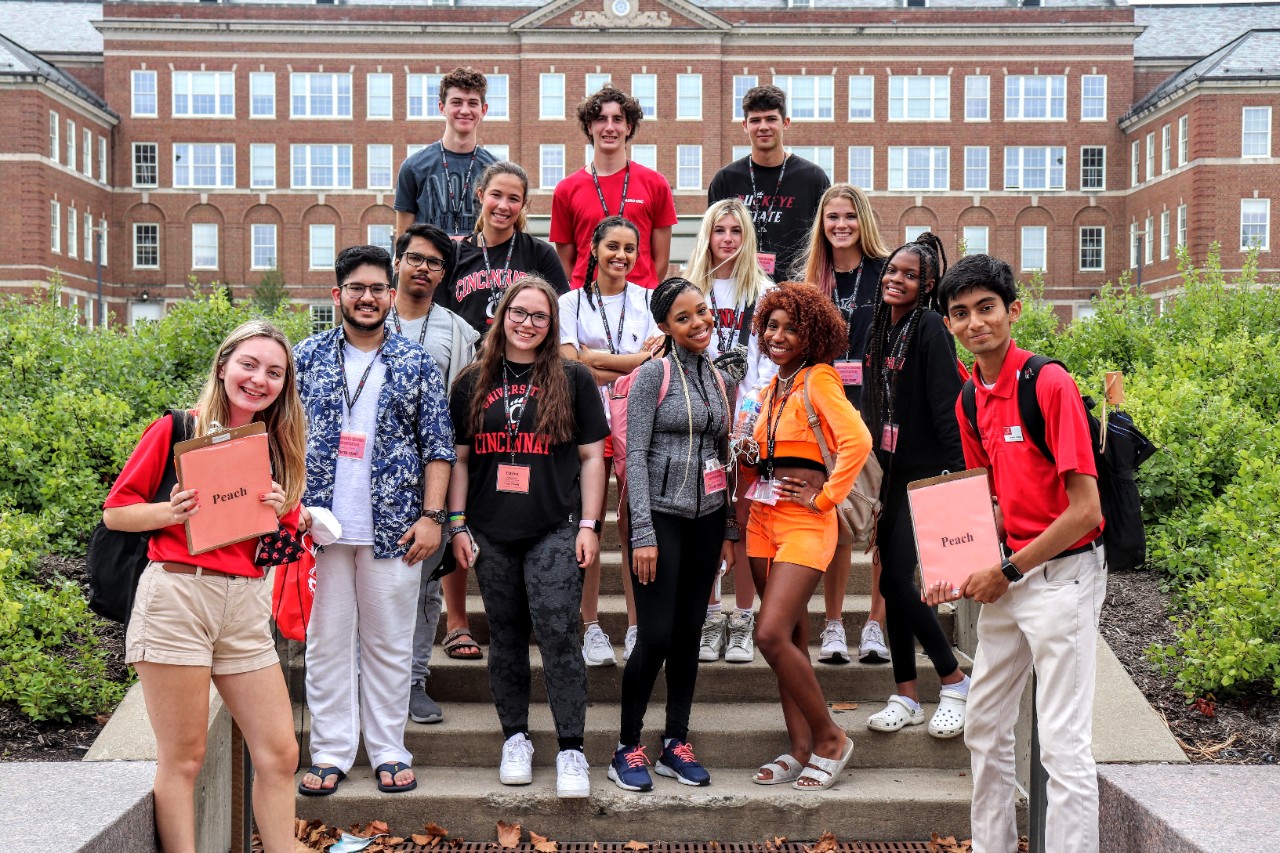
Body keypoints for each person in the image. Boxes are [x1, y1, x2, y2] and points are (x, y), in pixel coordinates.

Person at [102, 320, 307, 853]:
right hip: (178, 597)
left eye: (274, 372)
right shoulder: (177, 428)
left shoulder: (276, 446)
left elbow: (275, 549)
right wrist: (168, 511)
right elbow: (116, 514)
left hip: (244, 606)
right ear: (223, 366)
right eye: (249, 364)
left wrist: (285, 514)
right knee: (185, 758)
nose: (259, 379)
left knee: (280, 752)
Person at [928, 254, 1106, 853]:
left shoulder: (1047, 383)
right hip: (1013, 575)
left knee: (1062, 743)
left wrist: (1004, 569)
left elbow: (1085, 510)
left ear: (1013, 311)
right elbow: (990, 508)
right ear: (949, 324)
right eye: (961, 313)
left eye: (986, 308)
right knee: (983, 726)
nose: (975, 322)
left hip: (1062, 578)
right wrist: (952, 567)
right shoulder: (969, 398)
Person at [295, 245, 456, 797]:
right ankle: (333, 751)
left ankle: (389, 749)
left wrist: (434, 517)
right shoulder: (306, 357)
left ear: (391, 295)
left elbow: (438, 447)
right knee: (327, 641)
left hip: (395, 526)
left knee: (389, 643)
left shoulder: (416, 365)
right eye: (356, 288)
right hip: (319, 528)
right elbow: (280, 438)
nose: (368, 298)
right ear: (337, 295)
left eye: (377, 289)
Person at [446, 276, 609, 799]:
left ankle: (570, 748)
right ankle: (515, 737)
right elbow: (461, 461)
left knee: (560, 633)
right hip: (491, 531)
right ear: (501, 314)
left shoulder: (574, 378)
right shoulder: (472, 381)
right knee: (507, 637)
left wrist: (590, 525)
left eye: (540, 316)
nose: (528, 324)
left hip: (554, 527)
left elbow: (592, 457)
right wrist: (457, 524)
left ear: (551, 323)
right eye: (519, 312)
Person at [609, 277, 736, 792]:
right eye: (683, 318)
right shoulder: (651, 376)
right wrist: (641, 533)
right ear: (664, 326)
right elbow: (634, 456)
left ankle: (675, 742)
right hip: (659, 517)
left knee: (689, 634)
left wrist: (728, 526)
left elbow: (725, 455)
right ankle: (627, 745)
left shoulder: (719, 378)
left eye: (702, 312)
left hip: (706, 517)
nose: (698, 323)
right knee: (656, 635)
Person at [745, 282, 871, 791]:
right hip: (762, 520)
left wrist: (824, 500)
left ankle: (830, 739)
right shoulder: (773, 386)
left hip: (804, 522)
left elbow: (856, 440)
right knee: (790, 639)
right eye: (771, 325)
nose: (778, 335)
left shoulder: (819, 378)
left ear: (812, 334)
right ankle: (800, 749)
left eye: (790, 327)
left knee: (769, 634)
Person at [853, 234, 970, 739]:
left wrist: (955, 476)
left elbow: (948, 406)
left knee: (900, 581)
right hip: (889, 471)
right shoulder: (880, 328)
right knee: (888, 581)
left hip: (926, 475)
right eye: (891, 271)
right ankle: (905, 693)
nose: (894, 280)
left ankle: (954, 679)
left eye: (908, 275)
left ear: (926, 286)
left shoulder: (928, 327)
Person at [795, 182, 893, 665]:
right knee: (835, 521)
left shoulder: (886, 273)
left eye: (849, 217)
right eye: (832, 217)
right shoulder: (813, 279)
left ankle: (875, 624)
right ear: (822, 223)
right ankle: (833, 625)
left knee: (881, 523)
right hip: (826, 416)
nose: (841, 225)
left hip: (878, 409)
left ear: (863, 222)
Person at [558, 215, 663, 666]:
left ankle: (638, 626)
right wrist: (633, 361)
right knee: (590, 523)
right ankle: (592, 627)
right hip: (583, 421)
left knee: (633, 522)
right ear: (593, 250)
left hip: (638, 418)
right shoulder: (568, 303)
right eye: (612, 247)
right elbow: (568, 366)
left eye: (629, 249)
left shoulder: (651, 299)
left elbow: (657, 363)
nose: (621, 256)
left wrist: (594, 360)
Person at [390, 222, 482, 725]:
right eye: (415, 258)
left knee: (423, 588)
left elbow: (469, 406)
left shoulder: (458, 331)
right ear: (398, 260)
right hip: (370, 476)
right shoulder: (369, 317)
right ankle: (366, 681)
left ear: (444, 274)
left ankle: (413, 682)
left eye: (435, 263)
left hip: (433, 476)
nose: (423, 268)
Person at [682, 198, 776, 664]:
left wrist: (749, 417)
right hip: (697, 419)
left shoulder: (762, 289)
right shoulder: (689, 287)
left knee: (743, 518)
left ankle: (743, 617)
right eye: (719, 230)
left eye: (736, 231)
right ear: (707, 234)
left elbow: (769, 361)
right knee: (705, 518)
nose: (727, 239)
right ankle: (709, 615)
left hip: (746, 421)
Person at [550, 86, 678, 290]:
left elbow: (660, 262)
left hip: (640, 302)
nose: (609, 127)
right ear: (589, 126)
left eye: (617, 119)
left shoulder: (655, 184)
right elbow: (567, 263)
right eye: (601, 119)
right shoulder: (566, 189)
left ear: (628, 127)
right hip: (586, 302)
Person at [707, 84, 830, 282]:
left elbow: (826, 241)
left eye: (771, 119)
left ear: (786, 123)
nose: (763, 126)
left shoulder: (813, 178)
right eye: (755, 120)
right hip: (739, 289)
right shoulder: (726, 179)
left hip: (797, 290)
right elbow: (712, 241)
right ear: (745, 125)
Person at [442, 161, 571, 334]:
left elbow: (561, 317)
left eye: (513, 198)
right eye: (496, 195)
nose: (503, 206)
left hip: (521, 357)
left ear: (524, 203)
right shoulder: (453, 254)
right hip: (466, 358)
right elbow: (439, 318)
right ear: (481, 195)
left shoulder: (540, 254)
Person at [394, 66, 497, 240]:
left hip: (480, 265)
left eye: (472, 103)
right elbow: (403, 240)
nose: (465, 110)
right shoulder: (413, 167)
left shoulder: (496, 171)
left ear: (483, 110)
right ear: (442, 107)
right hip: (429, 265)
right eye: (456, 102)